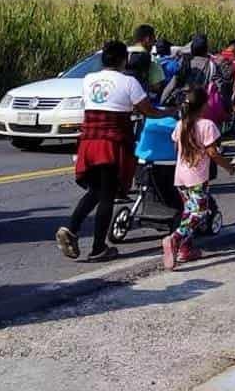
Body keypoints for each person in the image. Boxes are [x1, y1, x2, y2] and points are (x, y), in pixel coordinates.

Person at [57, 40, 175, 262]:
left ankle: (71, 228)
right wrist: (172, 110)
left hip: (89, 141)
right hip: (111, 143)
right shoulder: (129, 82)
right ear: (123, 59)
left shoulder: (89, 80)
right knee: (107, 196)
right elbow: (149, 111)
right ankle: (98, 248)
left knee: (95, 190)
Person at [161, 88, 233, 270]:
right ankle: (175, 238)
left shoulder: (181, 124)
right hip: (197, 177)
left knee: (189, 210)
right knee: (200, 212)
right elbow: (213, 153)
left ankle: (185, 249)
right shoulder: (207, 125)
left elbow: (177, 149)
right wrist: (228, 166)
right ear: (203, 105)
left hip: (181, 176)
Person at [127, 24, 166, 97]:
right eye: (154, 40)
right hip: (139, 102)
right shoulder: (151, 58)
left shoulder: (122, 54)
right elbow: (156, 86)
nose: (154, 44)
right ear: (147, 39)